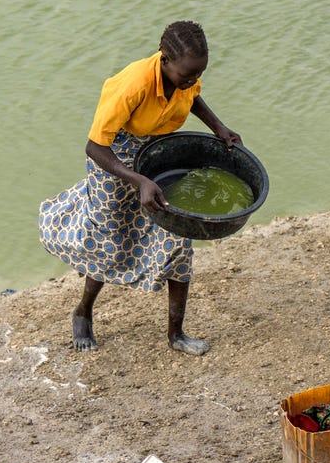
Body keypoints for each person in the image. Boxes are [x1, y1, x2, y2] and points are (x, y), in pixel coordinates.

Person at [38, 21, 240, 355]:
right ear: (164, 59)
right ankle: (83, 311)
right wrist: (139, 181)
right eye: (186, 74)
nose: (192, 80)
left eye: (198, 74)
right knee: (110, 241)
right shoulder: (133, 85)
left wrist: (220, 127)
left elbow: (193, 97)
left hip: (157, 151)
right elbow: (94, 147)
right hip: (114, 158)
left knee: (178, 239)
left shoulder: (186, 76)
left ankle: (177, 334)